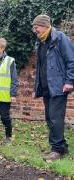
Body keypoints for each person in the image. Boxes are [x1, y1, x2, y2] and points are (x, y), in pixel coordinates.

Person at [32, 15, 74, 161]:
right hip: (46, 87)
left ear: (44, 25)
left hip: (58, 87)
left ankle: (56, 150)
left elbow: (71, 60)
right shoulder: (41, 43)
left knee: (56, 118)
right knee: (50, 118)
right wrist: (36, 87)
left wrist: (69, 81)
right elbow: (41, 67)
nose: (34, 29)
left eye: (36, 26)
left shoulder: (60, 38)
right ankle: (61, 146)